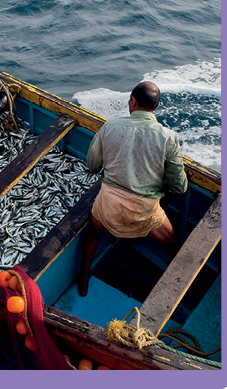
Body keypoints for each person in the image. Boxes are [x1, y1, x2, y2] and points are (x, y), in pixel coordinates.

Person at [78, 81, 187, 296]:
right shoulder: (168, 137)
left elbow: (93, 166)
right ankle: (176, 291)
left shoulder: (110, 126)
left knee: (93, 235)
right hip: (144, 212)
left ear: (132, 101)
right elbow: (180, 186)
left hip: (108, 205)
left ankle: (83, 281)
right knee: (173, 245)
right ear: (156, 107)